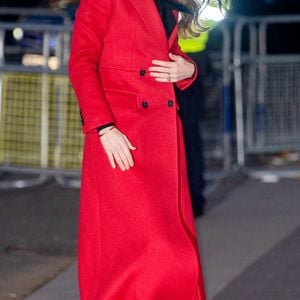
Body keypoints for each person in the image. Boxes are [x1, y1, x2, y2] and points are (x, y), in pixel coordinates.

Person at [69, 0, 211, 299]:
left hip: (160, 135)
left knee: (170, 246)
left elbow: (162, 54)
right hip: (120, 135)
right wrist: (103, 127)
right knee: (150, 252)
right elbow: (82, 61)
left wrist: (187, 69)